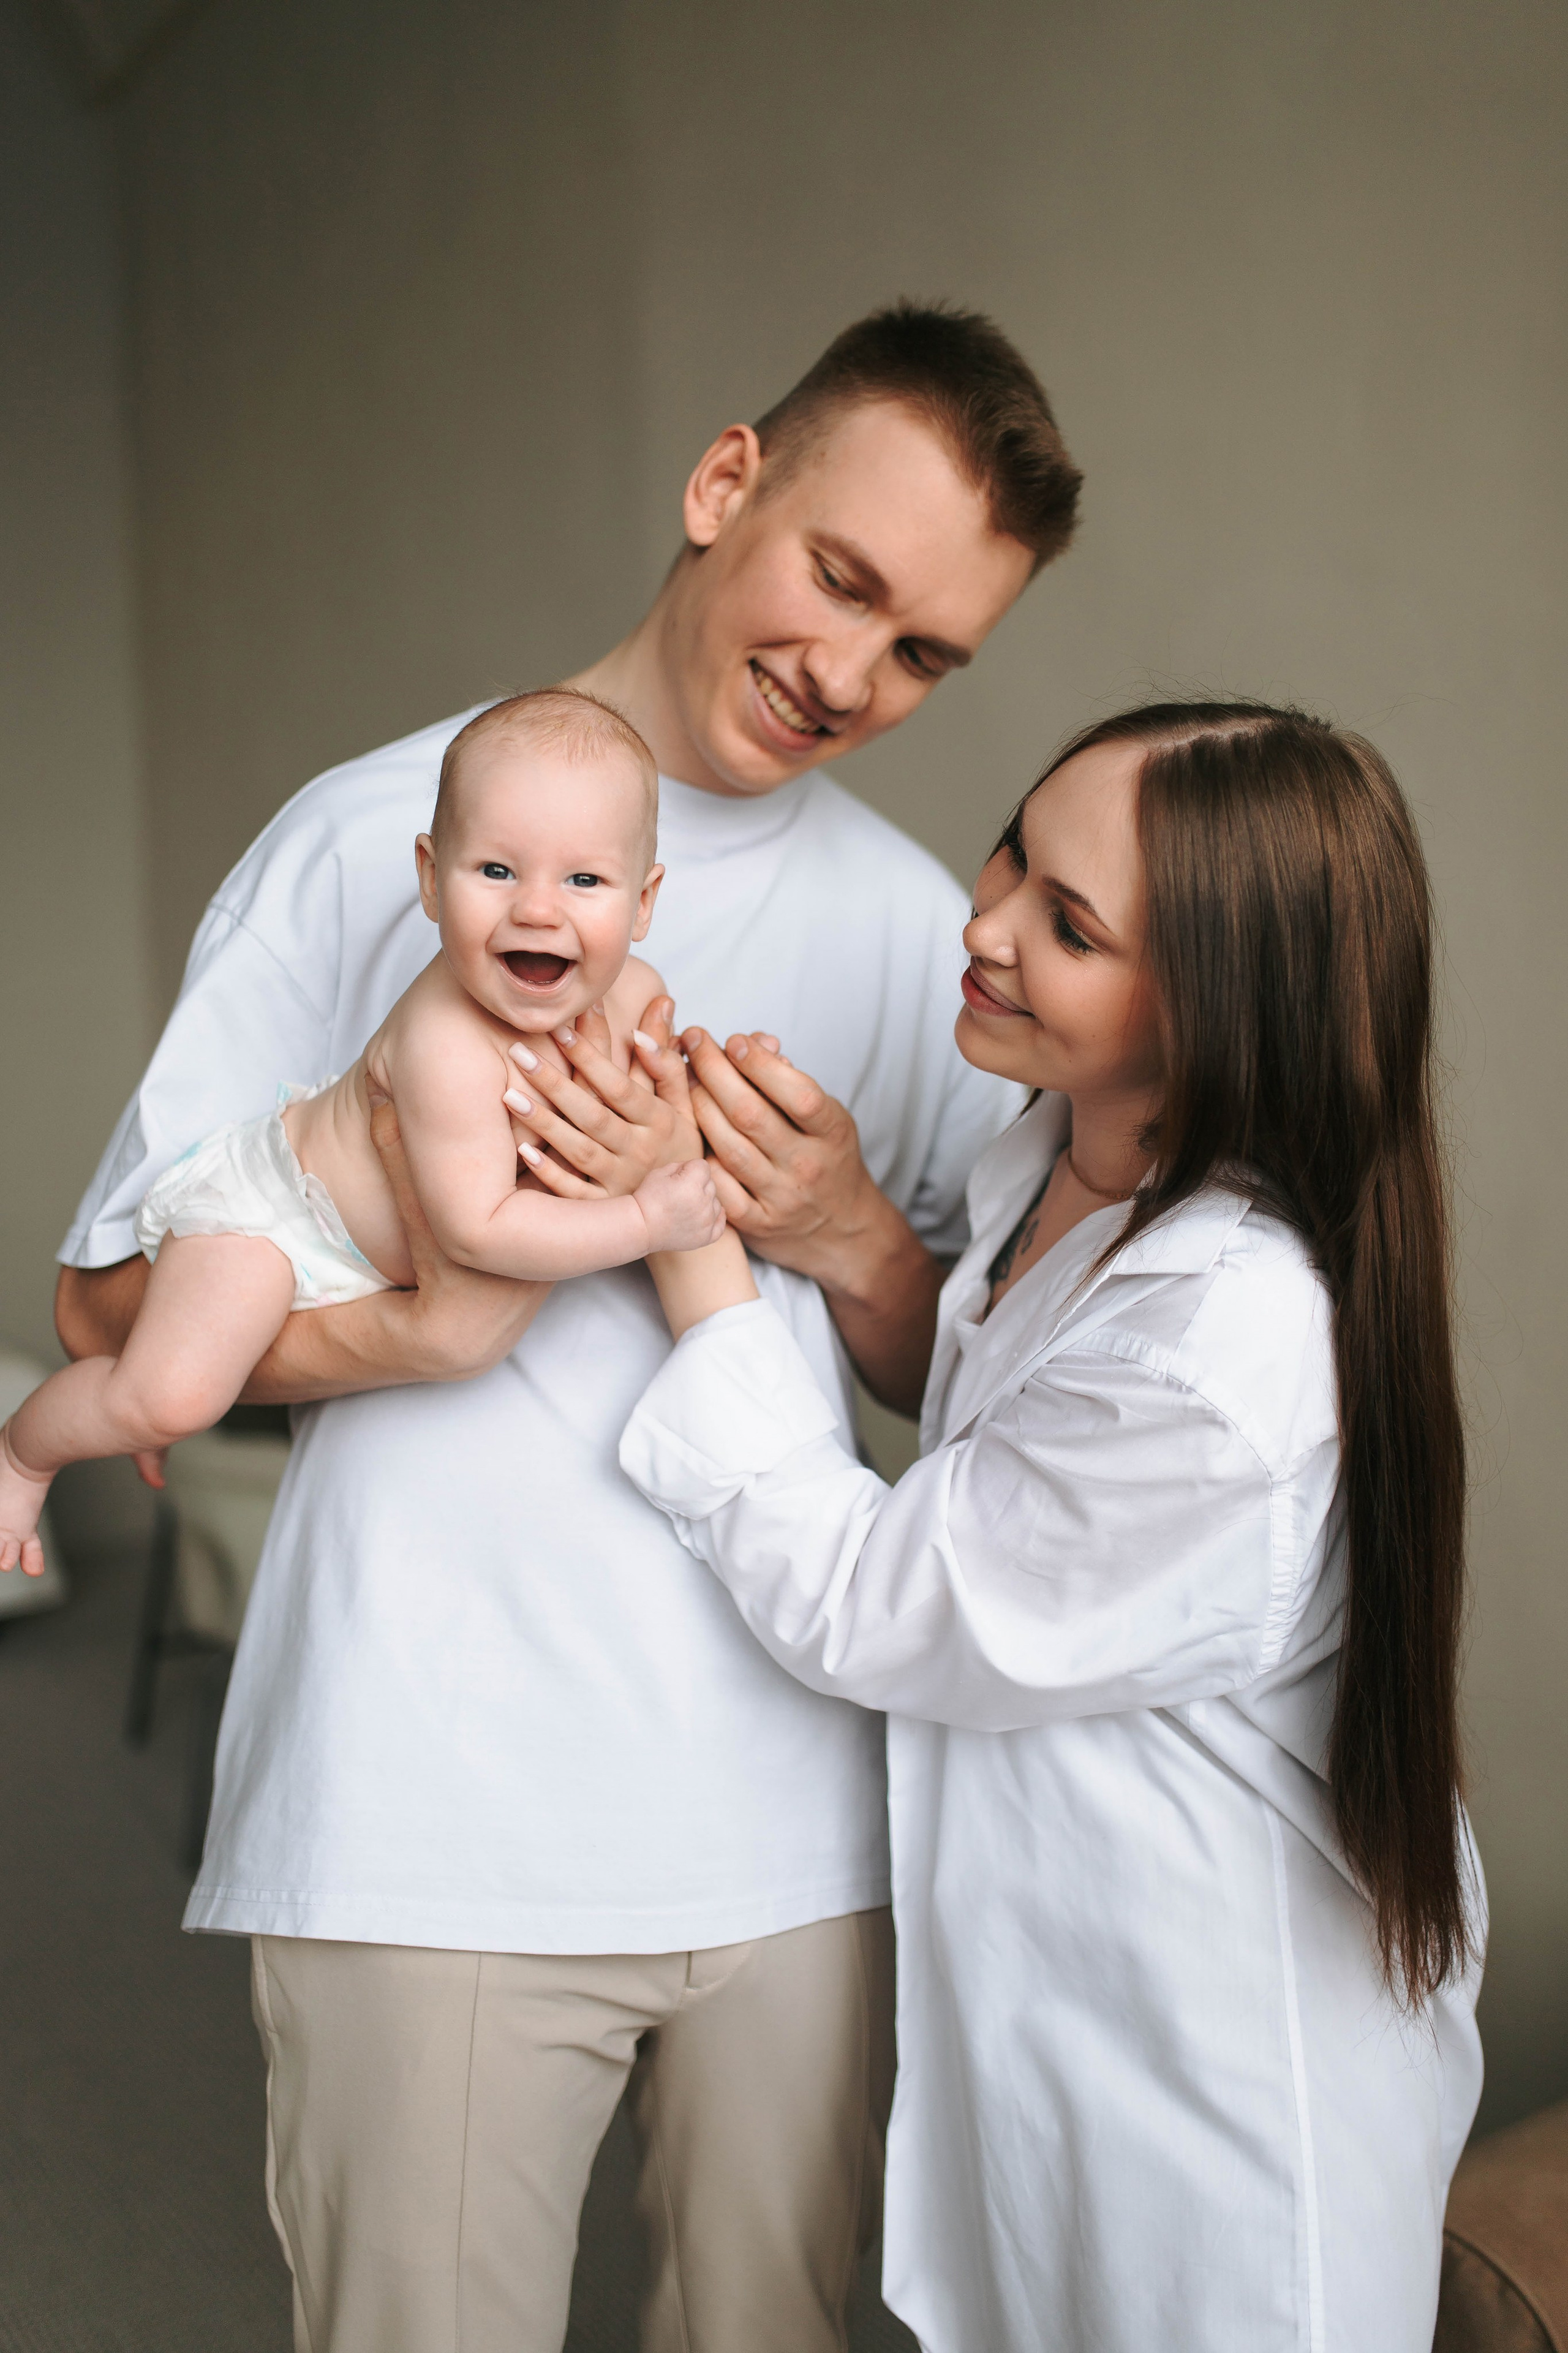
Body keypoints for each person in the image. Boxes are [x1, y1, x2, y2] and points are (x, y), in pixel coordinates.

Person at [55, 302, 1082, 2353]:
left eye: (926, 653)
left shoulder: (928, 937)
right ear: (725, 490)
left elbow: (963, 1390)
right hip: (423, 1799)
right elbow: (103, 1297)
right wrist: (426, 1313)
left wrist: (841, 1220)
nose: (852, 675)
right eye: (842, 581)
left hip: (792, 1814)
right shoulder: (370, 847)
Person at [616, 701, 1486, 2353]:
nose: (986, 920)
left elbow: (884, 1595)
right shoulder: (1055, 1155)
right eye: (1016, 847)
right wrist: (845, 1225)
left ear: (1217, 1008)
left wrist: (689, 1244)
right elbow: (988, 1452)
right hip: (1063, 1984)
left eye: (1067, 927)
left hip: (1213, 2077)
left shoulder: (1227, 1343)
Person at [1, 693, 722, 1574]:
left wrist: (698, 1098)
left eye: (585, 880)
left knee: (178, 1380)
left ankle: (147, 1392)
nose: (538, 910)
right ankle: (25, 1450)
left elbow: (664, 1104)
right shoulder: (447, 1046)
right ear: (429, 875)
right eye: (496, 870)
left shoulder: (637, 992)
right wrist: (648, 1220)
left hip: (351, 1247)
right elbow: (479, 1229)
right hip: (277, 1219)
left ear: (644, 899)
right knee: (172, 1394)